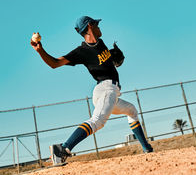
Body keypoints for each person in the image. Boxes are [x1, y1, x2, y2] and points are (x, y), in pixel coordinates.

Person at [31, 16, 153, 165]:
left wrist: (113, 58)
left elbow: (104, 61)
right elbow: (55, 63)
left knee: (131, 110)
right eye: (96, 24)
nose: (99, 26)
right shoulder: (81, 51)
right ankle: (62, 149)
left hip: (110, 93)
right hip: (106, 89)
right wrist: (40, 50)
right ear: (90, 26)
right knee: (98, 121)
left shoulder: (100, 43)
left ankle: (147, 148)